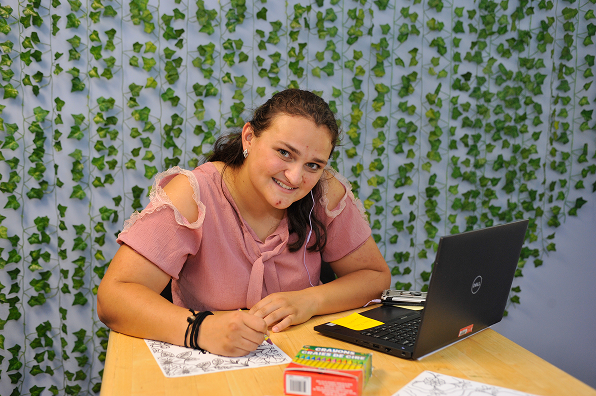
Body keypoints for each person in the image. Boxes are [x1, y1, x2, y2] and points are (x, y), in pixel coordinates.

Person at [97, 89, 391, 357]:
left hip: (296, 361)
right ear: (249, 137)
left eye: (313, 165)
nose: (295, 177)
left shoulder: (324, 193)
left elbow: (374, 276)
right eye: (284, 153)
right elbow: (113, 297)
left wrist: (309, 301)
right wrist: (201, 329)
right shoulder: (192, 194)